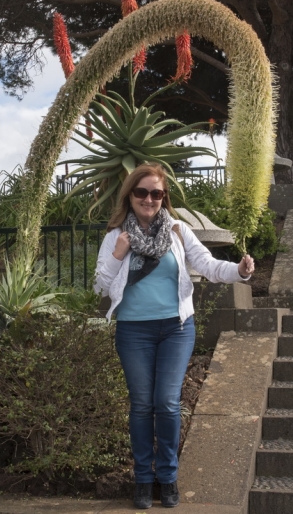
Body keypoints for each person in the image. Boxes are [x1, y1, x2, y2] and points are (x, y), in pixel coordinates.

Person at [94, 164, 254, 509]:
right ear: (130, 195)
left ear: (164, 198)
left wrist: (239, 271)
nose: (149, 199)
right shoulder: (116, 236)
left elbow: (209, 265)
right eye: (142, 192)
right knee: (141, 404)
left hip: (176, 329)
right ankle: (142, 480)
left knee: (166, 402)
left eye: (156, 193)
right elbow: (102, 285)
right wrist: (119, 253)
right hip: (134, 330)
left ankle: (167, 477)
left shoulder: (179, 231)